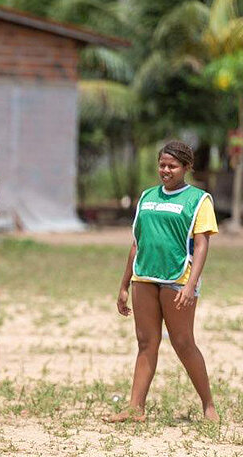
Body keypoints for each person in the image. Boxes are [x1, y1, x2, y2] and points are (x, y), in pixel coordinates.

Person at [108, 140, 219, 423]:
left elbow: (202, 244)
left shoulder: (198, 199)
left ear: (186, 167)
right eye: (162, 165)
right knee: (146, 342)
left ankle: (208, 406)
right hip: (144, 277)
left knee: (183, 343)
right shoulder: (147, 197)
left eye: (172, 166)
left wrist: (191, 285)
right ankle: (135, 408)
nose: (165, 170)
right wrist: (124, 284)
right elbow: (136, 243)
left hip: (178, 278)